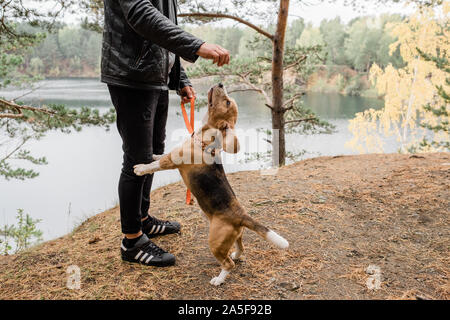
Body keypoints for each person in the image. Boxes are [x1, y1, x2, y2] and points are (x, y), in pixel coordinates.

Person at [101, 0, 230, 267]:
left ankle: (143, 219)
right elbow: (140, 13)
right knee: (137, 160)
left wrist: (179, 78)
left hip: (154, 76)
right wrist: (196, 46)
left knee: (151, 154)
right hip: (131, 76)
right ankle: (132, 241)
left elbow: (165, 29)